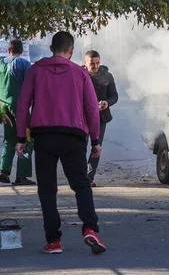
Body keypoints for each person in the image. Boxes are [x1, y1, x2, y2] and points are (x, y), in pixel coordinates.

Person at [15, 31, 107, 255]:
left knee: (47, 190)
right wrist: (95, 140)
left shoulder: (36, 70)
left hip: (43, 136)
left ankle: (54, 240)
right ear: (71, 49)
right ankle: (90, 229)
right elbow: (92, 110)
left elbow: (22, 104)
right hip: (74, 136)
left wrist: (20, 138)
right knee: (81, 185)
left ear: (50, 48)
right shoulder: (79, 72)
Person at [0, 40, 35, 186]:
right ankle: (22, 176)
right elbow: (30, 85)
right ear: (21, 51)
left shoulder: (1, 64)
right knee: (27, 139)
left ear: (8, 51)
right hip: (19, 107)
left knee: (9, 139)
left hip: (3, 107)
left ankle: (3, 171)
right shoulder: (24, 64)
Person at [83, 50, 118, 187]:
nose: (95, 66)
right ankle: (80, 176)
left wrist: (107, 103)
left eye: (97, 63)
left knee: (96, 148)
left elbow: (114, 95)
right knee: (80, 147)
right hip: (82, 118)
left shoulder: (107, 76)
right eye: (92, 63)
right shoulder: (79, 75)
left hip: (100, 118)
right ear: (85, 63)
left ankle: (89, 177)